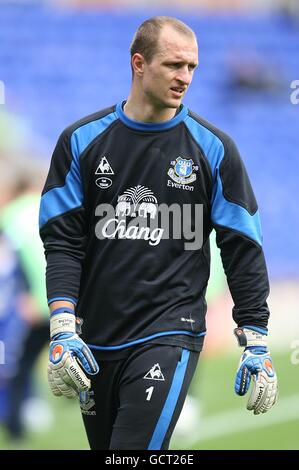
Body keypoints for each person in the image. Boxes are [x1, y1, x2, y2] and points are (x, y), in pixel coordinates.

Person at [39, 16, 278, 450]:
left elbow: (242, 247)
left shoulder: (214, 149)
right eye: (173, 65)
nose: (185, 77)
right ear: (138, 63)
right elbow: (63, 242)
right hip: (96, 339)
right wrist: (62, 325)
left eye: (192, 67)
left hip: (170, 332)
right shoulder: (80, 142)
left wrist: (256, 338)